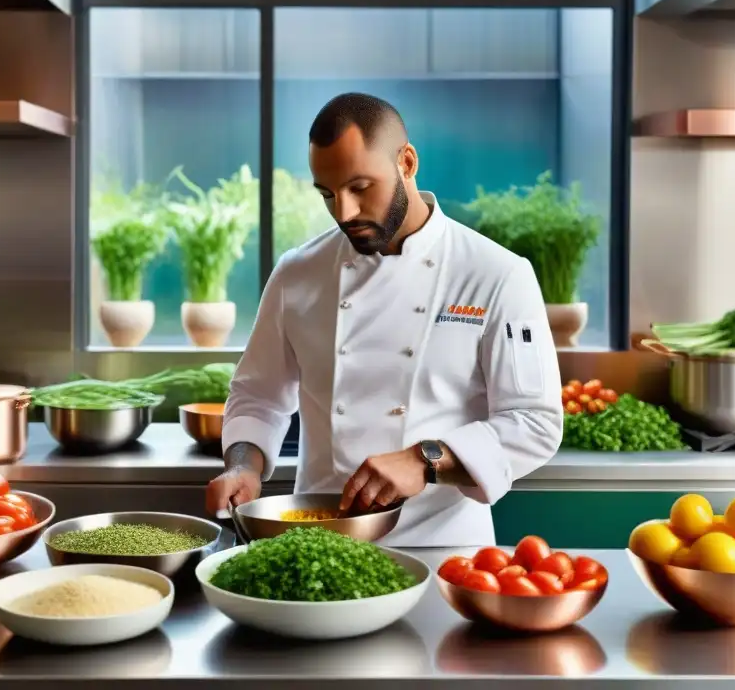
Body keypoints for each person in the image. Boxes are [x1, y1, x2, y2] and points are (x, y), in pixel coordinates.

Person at [205, 92, 563, 547]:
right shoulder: (297, 274)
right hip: (321, 542)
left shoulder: (496, 274)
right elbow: (258, 396)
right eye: (328, 195)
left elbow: (534, 422)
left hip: (444, 546)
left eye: (360, 187)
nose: (344, 212)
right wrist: (243, 466)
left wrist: (424, 459)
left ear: (407, 163)